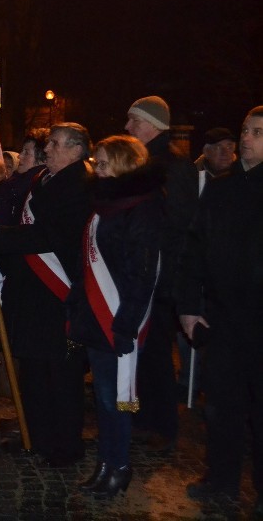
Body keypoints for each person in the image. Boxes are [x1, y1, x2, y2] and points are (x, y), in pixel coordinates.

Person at [0, 122, 94, 466]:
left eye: (56, 144)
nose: (48, 149)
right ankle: (37, 437)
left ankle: (65, 446)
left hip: (58, 296)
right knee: (34, 372)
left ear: (77, 149)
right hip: (32, 295)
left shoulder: (81, 184)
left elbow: (50, 236)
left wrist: (0, 236)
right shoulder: (44, 179)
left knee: (60, 375)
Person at [176, 106, 263, 516]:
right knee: (222, 406)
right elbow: (194, 250)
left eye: (257, 132)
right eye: (246, 130)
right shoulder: (221, 188)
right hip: (224, 318)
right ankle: (221, 479)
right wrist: (190, 307)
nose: (246, 138)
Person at [67, 135, 162, 498]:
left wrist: (125, 322)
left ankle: (118, 467)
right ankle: (105, 463)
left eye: (104, 162)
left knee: (115, 398)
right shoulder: (103, 204)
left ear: (124, 164)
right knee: (103, 399)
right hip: (96, 314)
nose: (97, 168)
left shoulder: (143, 207)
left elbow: (143, 272)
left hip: (120, 317)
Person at [124, 95, 198, 452]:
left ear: (152, 125)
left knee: (155, 353)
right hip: (143, 270)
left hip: (159, 274)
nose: (127, 128)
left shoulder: (174, 167)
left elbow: (177, 225)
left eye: (134, 122)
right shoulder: (146, 163)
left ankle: (163, 426)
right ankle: (144, 418)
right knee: (142, 350)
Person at [178, 127, 237, 401]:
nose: (226, 153)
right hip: (196, 269)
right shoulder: (193, 179)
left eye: (230, 146)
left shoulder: (239, 182)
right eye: (219, 147)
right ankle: (189, 381)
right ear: (206, 151)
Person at [0, 129, 48, 225]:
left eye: (26, 152)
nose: (19, 156)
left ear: (43, 158)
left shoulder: (40, 188)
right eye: (22, 151)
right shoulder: (14, 184)